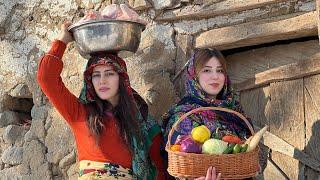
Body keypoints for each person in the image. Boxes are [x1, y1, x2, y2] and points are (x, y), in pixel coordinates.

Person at [37, 22, 166, 179]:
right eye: (96, 75)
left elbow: (159, 167)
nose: (102, 81)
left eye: (109, 74)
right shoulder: (80, 113)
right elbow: (46, 78)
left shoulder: (141, 120)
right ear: (90, 81)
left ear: (122, 78)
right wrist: (62, 41)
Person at [162, 48, 253, 180]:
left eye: (220, 70)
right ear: (194, 75)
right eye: (207, 70)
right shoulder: (183, 116)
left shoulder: (234, 110)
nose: (215, 76)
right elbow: (179, 166)